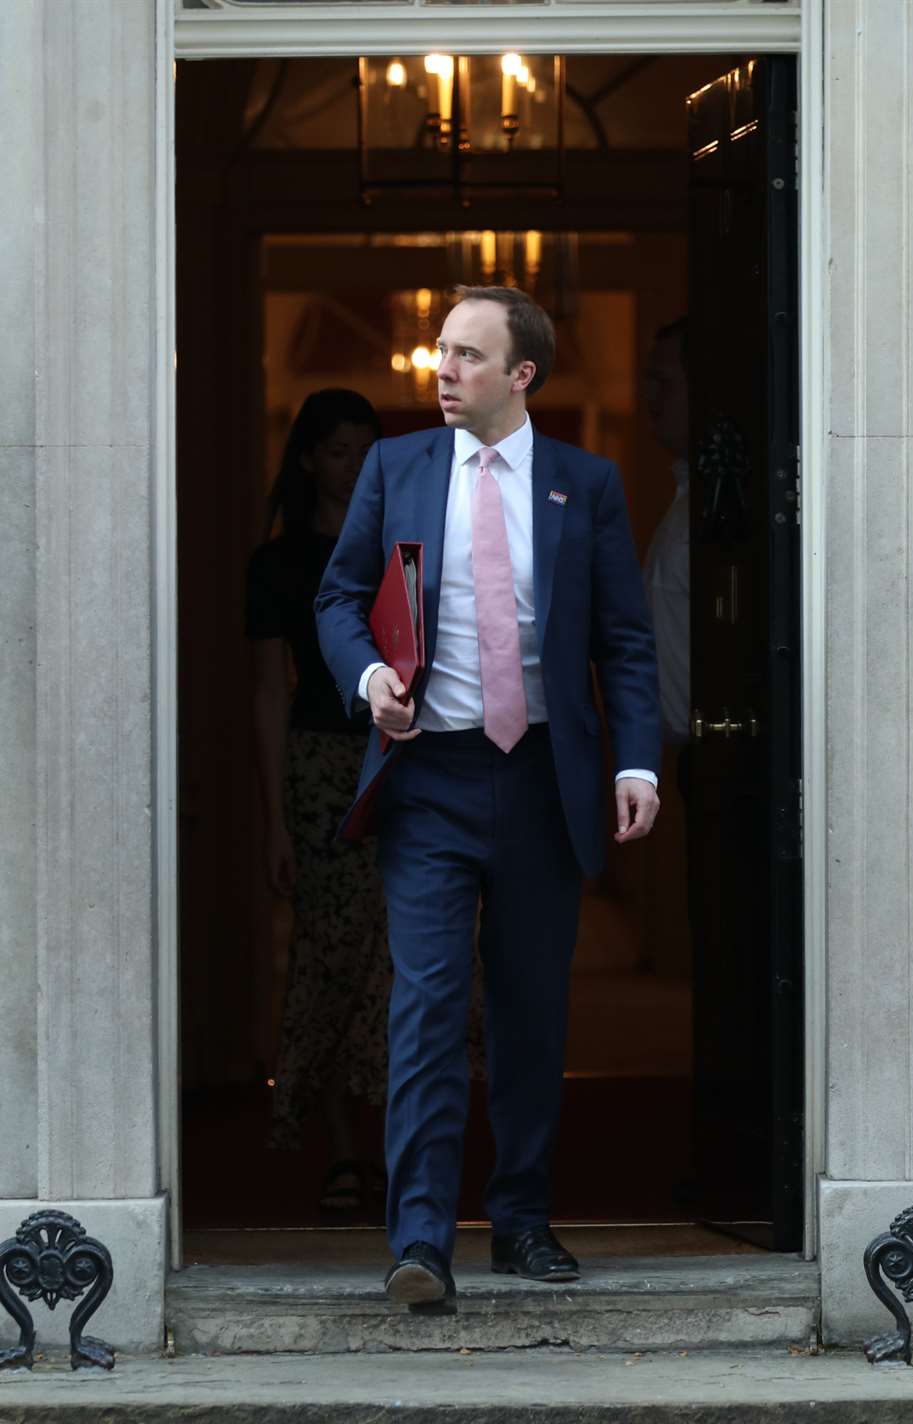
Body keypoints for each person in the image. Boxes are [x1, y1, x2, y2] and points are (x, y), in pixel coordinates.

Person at [315, 288, 661, 1310]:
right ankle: (420, 1242)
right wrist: (370, 676)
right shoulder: (398, 466)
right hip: (430, 778)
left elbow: (624, 642)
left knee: (529, 1013)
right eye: (440, 350)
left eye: (467, 354)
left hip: (546, 777)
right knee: (424, 1006)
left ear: (522, 375)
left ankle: (519, 1220)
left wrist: (634, 764)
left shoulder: (584, 485)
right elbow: (339, 597)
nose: (442, 368)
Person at [246, 388, 392, 1212]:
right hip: (317, 768)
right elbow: (268, 692)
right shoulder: (277, 564)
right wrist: (273, 819)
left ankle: (391, 1148)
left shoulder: (400, 551)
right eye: (338, 451)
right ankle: (343, 1150)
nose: (353, 465)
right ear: (309, 458)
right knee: (332, 958)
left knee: (398, 961)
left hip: (399, 761)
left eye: (366, 450)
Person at [642, 318, 691, 759]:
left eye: (664, 383)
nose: (650, 401)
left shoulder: (705, 517)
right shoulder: (682, 503)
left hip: (712, 752)